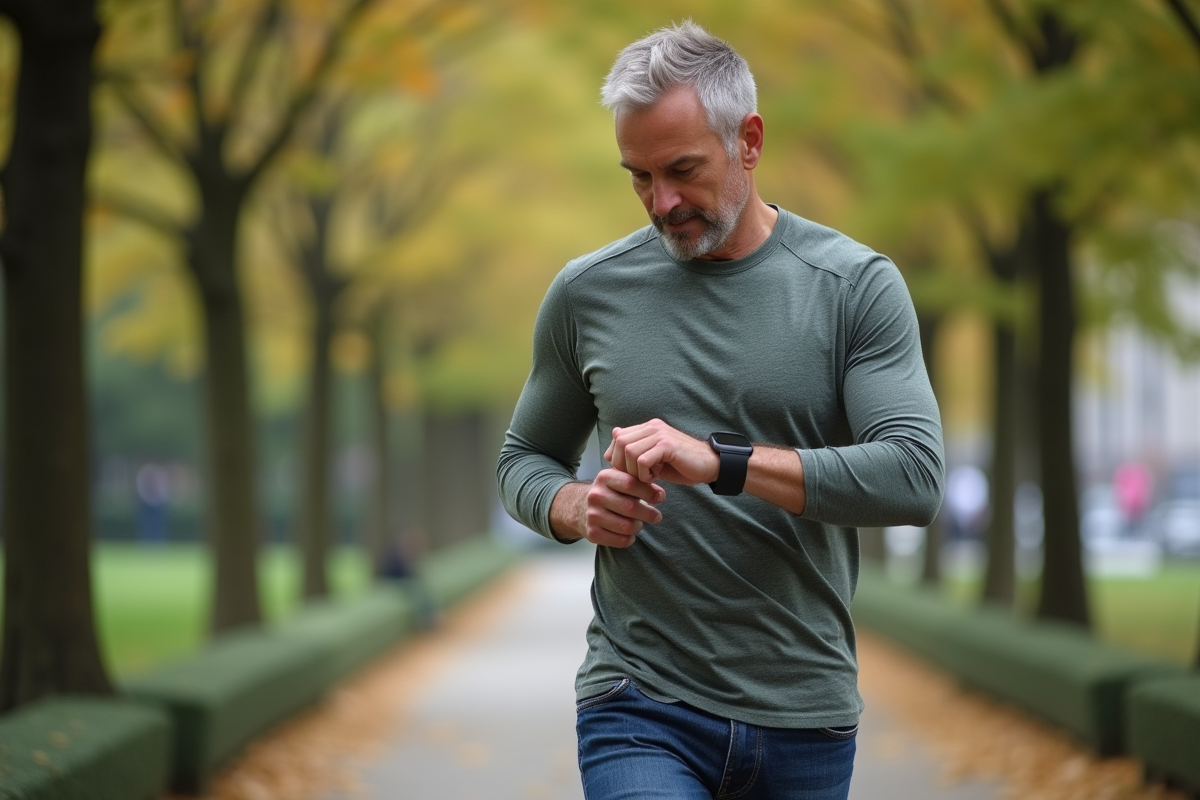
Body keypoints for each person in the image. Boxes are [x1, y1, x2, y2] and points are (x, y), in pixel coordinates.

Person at [497, 20, 943, 800]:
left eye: (681, 170)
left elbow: (911, 477)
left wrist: (725, 460)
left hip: (804, 709)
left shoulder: (854, 288)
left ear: (749, 141)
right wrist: (573, 506)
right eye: (638, 176)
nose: (662, 203)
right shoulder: (586, 293)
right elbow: (521, 460)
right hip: (638, 700)